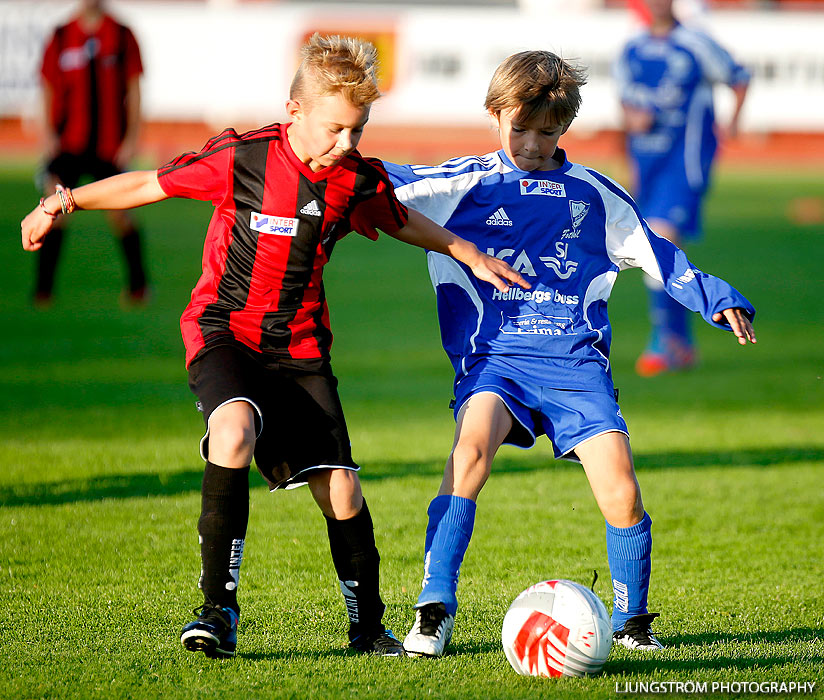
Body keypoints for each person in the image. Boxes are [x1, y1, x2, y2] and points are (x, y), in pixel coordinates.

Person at [21, 34, 528, 659]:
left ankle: (368, 628)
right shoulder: (243, 158)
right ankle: (218, 610)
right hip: (223, 331)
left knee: (340, 490)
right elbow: (150, 185)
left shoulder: (354, 178)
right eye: (336, 129)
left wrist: (464, 249)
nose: (347, 145)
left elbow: (396, 219)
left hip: (301, 348)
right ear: (296, 112)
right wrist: (61, 201)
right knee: (233, 433)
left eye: (359, 130)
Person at [382, 49, 756, 657]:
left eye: (546, 132)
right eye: (520, 129)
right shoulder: (460, 183)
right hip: (495, 359)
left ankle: (633, 622)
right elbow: (367, 180)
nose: (531, 143)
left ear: (565, 128)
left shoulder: (593, 195)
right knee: (470, 452)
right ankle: (433, 608)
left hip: (575, 363)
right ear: (494, 114)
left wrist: (713, 297)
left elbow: (655, 253)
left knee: (623, 490)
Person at [614, 0, 750, 376]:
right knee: (662, 247)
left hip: (684, 162)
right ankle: (682, 343)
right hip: (647, 164)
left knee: (661, 238)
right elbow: (625, 104)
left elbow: (739, 76)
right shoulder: (631, 49)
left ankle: (666, 341)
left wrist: (733, 121)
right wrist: (632, 126)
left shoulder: (694, 42)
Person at [35, 0, 148, 307]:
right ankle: (43, 291)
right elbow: (46, 89)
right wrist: (47, 137)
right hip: (68, 145)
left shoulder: (122, 35)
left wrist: (132, 138)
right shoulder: (60, 36)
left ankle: (139, 287)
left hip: (109, 147)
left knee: (121, 214)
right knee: (52, 213)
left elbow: (134, 89)